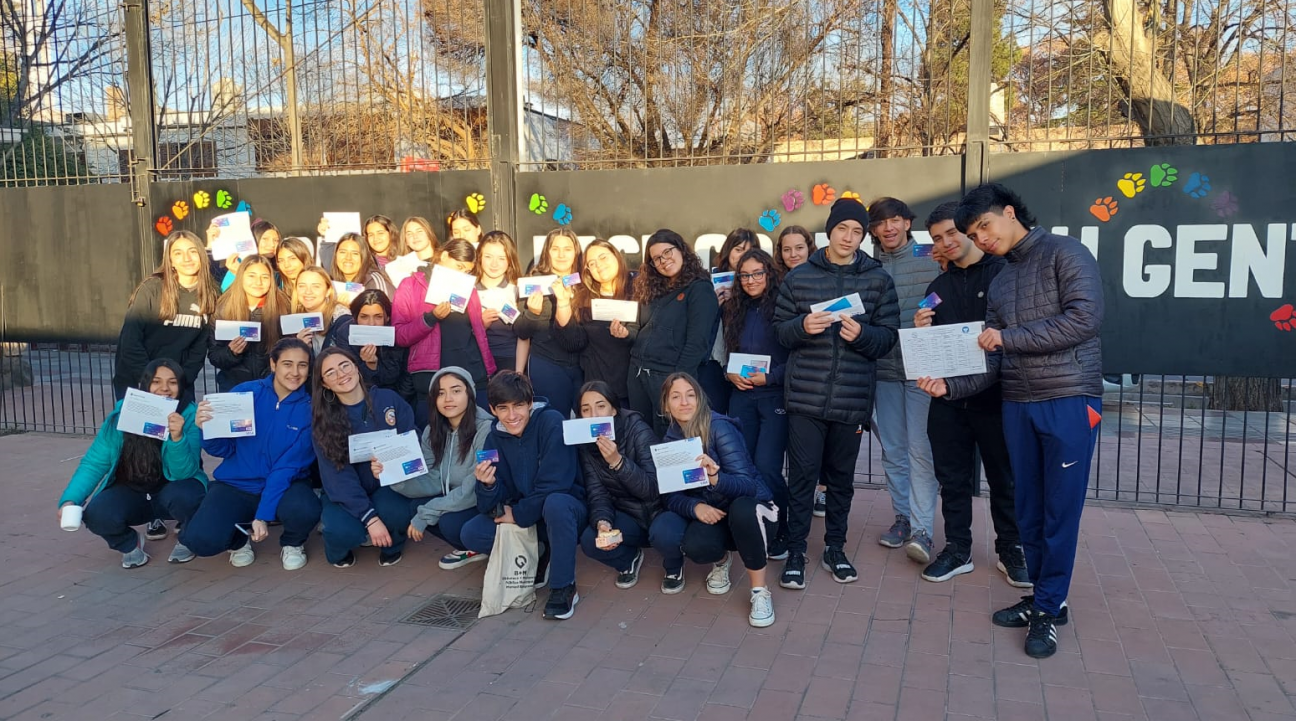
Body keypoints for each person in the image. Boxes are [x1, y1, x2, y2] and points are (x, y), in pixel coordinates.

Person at [917, 183, 1104, 659]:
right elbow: (994, 360)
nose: (981, 238)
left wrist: (1007, 337)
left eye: (984, 226)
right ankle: (1045, 598)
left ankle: (1048, 608)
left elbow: (1084, 319)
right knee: (1028, 509)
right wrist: (951, 387)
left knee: (1059, 510)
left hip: (1068, 397)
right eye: (973, 234)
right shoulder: (1000, 282)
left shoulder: (1066, 252)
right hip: (1017, 403)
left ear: (1009, 212)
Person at [773, 198, 899, 590]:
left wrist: (864, 335)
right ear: (830, 230)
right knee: (802, 479)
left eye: (857, 232)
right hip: (805, 400)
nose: (849, 237)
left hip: (852, 400)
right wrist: (802, 326)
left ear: (865, 236)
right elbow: (781, 331)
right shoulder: (799, 277)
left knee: (842, 480)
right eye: (843, 229)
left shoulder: (878, 279)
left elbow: (888, 339)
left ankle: (834, 548)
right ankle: (795, 552)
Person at [912, 202, 1027, 587]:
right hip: (947, 400)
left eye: (951, 233)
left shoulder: (1004, 274)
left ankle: (1010, 549)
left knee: (1004, 478)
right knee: (953, 479)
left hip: (997, 398)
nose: (945, 243)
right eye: (937, 239)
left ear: (968, 230)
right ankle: (958, 548)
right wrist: (920, 329)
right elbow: (926, 349)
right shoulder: (936, 289)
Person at [180, 338, 322, 570]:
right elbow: (221, 449)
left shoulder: (310, 410)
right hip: (237, 483)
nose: (295, 372)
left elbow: (286, 469)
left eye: (302, 365)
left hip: (286, 484)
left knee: (306, 510)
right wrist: (206, 429)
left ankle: (293, 543)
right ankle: (238, 540)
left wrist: (263, 515)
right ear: (273, 364)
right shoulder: (245, 394)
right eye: (287, 364)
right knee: (200, 541)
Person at [57, 360, 207, 568]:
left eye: (172, 382)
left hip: (172, 489)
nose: (164, 388)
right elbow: (94, 462)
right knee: (97, 514)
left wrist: (177, 438)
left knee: (189, 497)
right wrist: (70, 499)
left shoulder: (189, 415)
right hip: (132, 491)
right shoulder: (123, 413)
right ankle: (129, 543)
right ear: (144, 385)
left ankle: (188, 538)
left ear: (180, 387)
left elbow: (184, 472)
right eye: (156, 382)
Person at [463, 372, 586, 620]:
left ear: (530, 403)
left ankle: (563, 587)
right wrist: (488, 485)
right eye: (503, 408)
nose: (512, 415)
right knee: (470, 532)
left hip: (566, 509)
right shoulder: (493, 438)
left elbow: (557, 483)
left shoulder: (551, 422)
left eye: (519, 405)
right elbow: (487, 504)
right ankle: (540, 551)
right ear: (492, 409)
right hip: (526, 514)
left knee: (556, 504)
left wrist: (517, 515)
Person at [659, 373, 777, 627]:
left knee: (743, 509)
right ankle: (722, 560)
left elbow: (747, 486)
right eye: (676, 397)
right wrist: (695, 505)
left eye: (691, 395)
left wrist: (715, 477)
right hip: (717, 512)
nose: (684, 402)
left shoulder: (719, 427)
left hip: (756, 508)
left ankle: (759, 591)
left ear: (700, 399)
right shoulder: (671, 439)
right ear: (666, 404)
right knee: (696, 546)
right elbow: (671, 496)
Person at [866, 197, 941, 563]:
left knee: (920, 450)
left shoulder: (931, 256)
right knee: (893, 450)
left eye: (895, 220)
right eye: (880, 223)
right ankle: (903, 518)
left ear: (908, 223)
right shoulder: (868, 265)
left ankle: (923, 530)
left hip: (921, 371)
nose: (888, 228)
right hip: (882, 370)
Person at [312, 347, 419, 567]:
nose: (341, 374)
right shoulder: (323, 420)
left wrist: (391, 461)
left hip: (387, 484)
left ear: (356, 367)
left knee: (397, 513)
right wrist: (370, 518)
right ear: (324, 384)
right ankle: (337, 551)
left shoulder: (388, 399)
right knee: (341, 530)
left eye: (345, 366)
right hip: (345, 491)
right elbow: (336, 476)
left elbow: (412, 440)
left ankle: (392, 545)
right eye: (331, 373)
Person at [722, 248, 790, 560]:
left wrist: (772, 378)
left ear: (769, 274)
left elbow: (797, 359)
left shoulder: (783, 307)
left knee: (767, 466)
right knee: (742, 466)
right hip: (741, 397)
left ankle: (781, 528)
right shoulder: (733, 309)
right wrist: (729, 374)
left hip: (773, 396)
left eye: (757, 274)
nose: (750, 280)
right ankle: (751, 524)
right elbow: (724, 355)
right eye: (745, 275)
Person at [393, 367, 496, 570]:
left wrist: (427, 513)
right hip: (457, 498)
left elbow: (474, 488)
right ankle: (472, 548)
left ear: (470, 393)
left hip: (486, 502)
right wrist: (394, 476)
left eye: (456, 390)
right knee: (416, 505)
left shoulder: (487, 430)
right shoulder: (433, 431)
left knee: (447, 522)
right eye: (441, 393)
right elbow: (431, 475)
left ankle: (483, 545)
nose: (448, 398)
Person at [574, 381, 669, 590]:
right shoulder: (585, 444)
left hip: (657, 512)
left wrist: (617, 461)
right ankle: (629, 559)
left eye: (601, 406)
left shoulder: (637, 429)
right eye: (586, 410)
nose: (594, 415)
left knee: (665, 534)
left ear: (614, 409)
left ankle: (673, 565)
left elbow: (653, 490)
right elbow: (597, 492)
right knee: (591, 540)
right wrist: (602, 521)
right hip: (626, 514)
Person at [392, 239, 496, 420]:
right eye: (459, 266)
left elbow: (478, 333)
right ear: (445, 256)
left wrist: (488, 370)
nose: (462, 273)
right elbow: (399, 336)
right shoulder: (410, 285)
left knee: (480, 436)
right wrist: (431, 318)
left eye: (467, 270)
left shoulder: (468, 288)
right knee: (434, 440)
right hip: (431, 380)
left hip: (472, 376)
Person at [628, 230, 720, 435]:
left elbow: (697, 343)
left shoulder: (700, 289)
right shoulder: (652, 289)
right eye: (656, 258)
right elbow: (640, 328)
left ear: (681, 250)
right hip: (638, 373)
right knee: (641, 439)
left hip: (667, 377)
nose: (663, 261)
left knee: (670, 442)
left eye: (667, 252)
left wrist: (677, 383)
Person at [113, 230, 218, 405]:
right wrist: (151, 381)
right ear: (170, 261)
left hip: (177, 384)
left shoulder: (211, 293)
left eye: (192, 251)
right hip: (138, 380)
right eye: (178, 253)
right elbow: (130, 340)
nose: (187, 258)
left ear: (201, 254)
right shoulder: (152, 288)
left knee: (178, 432)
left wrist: (180, 381)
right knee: (143, 433)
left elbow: (199, 349)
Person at [775, 224, 827, 518]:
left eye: (799, 248)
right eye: (787, 249)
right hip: (780, 369)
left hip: (811, 374)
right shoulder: (773, 281)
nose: (793, 254)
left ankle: (818, 492)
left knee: (811, 448)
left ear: (810, 248)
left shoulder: (821, 278)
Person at [554, 238, 637, 406]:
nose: (598, 265)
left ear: (616, 256)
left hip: (634, 388)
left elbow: (647, 332)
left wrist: (627, 334)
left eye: (603, 257)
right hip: (598, 390)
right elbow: (573, 342)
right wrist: (562, 302)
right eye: (591, 263)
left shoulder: (638, 289)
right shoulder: (583, 299)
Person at [516, 228, 585, 417]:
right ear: (547, 252)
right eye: (555, 249)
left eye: (567, 249)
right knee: (551, 422)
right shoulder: (534, 283)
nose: (561, 255)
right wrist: (519, 373)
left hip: (584, 366)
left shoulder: (586, 282)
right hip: (546, 364)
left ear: (576, 252)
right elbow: (522, 332)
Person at [209, 255, 289, 392]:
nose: (258, 282)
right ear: (241, 277)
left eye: (264, 277)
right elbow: (214, 356)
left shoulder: (284, 306)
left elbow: (290, 352)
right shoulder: (223, 308)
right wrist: (231, 353)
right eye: (251, 276)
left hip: (272, 389)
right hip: (234, 390)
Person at [702, 228, 756, 414]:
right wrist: (712, 306)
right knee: (714, 416)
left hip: (745, 359)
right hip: (715, 360)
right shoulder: (708, 281)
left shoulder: (759, 282)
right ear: (728, 251)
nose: (743, 256)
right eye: (739, 249)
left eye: (749, 250)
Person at [348, 289, 414, 406]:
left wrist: (396, 404)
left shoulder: (397, 335)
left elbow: (403, 376)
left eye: (378, 317)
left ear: (387, 318)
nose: (371, 324)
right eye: (364, 317)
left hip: (396, 399)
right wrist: (369, 366)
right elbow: (350, 379)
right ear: (355, 318)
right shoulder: (345, 335)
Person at [475, 231, 527, 375]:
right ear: (479, 257)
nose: (494, 264)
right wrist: (480, 326)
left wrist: (519, 372)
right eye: (488, 257)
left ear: (510, 260)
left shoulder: (517, 290)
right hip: (477, 362)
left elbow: (524, 336)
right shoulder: (469, 289)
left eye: (501, 258)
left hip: (510, 362)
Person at [291, 266, 353, 355]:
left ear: (328, 291)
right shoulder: (294, 318)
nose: (308, 292)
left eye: (316, 286)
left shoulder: (342, 320)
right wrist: (300, 349)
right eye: (302, 286)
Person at [330, 232, 395, 298]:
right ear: (335, 254)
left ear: (364, 257)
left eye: (355, 253)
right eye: (343, 252)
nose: (348, 258)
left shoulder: (374, 282)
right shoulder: (334, 282)